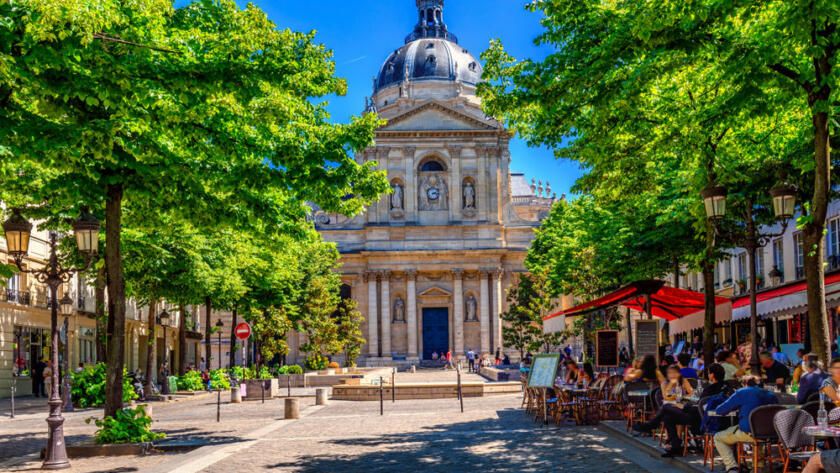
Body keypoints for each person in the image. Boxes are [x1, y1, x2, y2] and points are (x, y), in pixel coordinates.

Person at [713, 376, 779, 473]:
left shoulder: (742, 392)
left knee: (718, 437)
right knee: (758, 431)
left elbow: (720, 410)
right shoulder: (771, 394)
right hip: (769, 433)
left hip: (749, 433)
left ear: (745, 384)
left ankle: (732, 467)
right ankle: (758, 466)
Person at [632, 364, 695, 455]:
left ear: (679, 374)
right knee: (668, 414)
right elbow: (666, 397)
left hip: (680, 406)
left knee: (668, 415)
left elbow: (692, 393)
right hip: (669, 405)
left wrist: (682, 397)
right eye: (670, 373)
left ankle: (652, 428)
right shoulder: (665, 384)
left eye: (674, 373)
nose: (672, 375)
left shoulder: (683, 381)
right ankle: (675, 444)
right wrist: (670, 385)